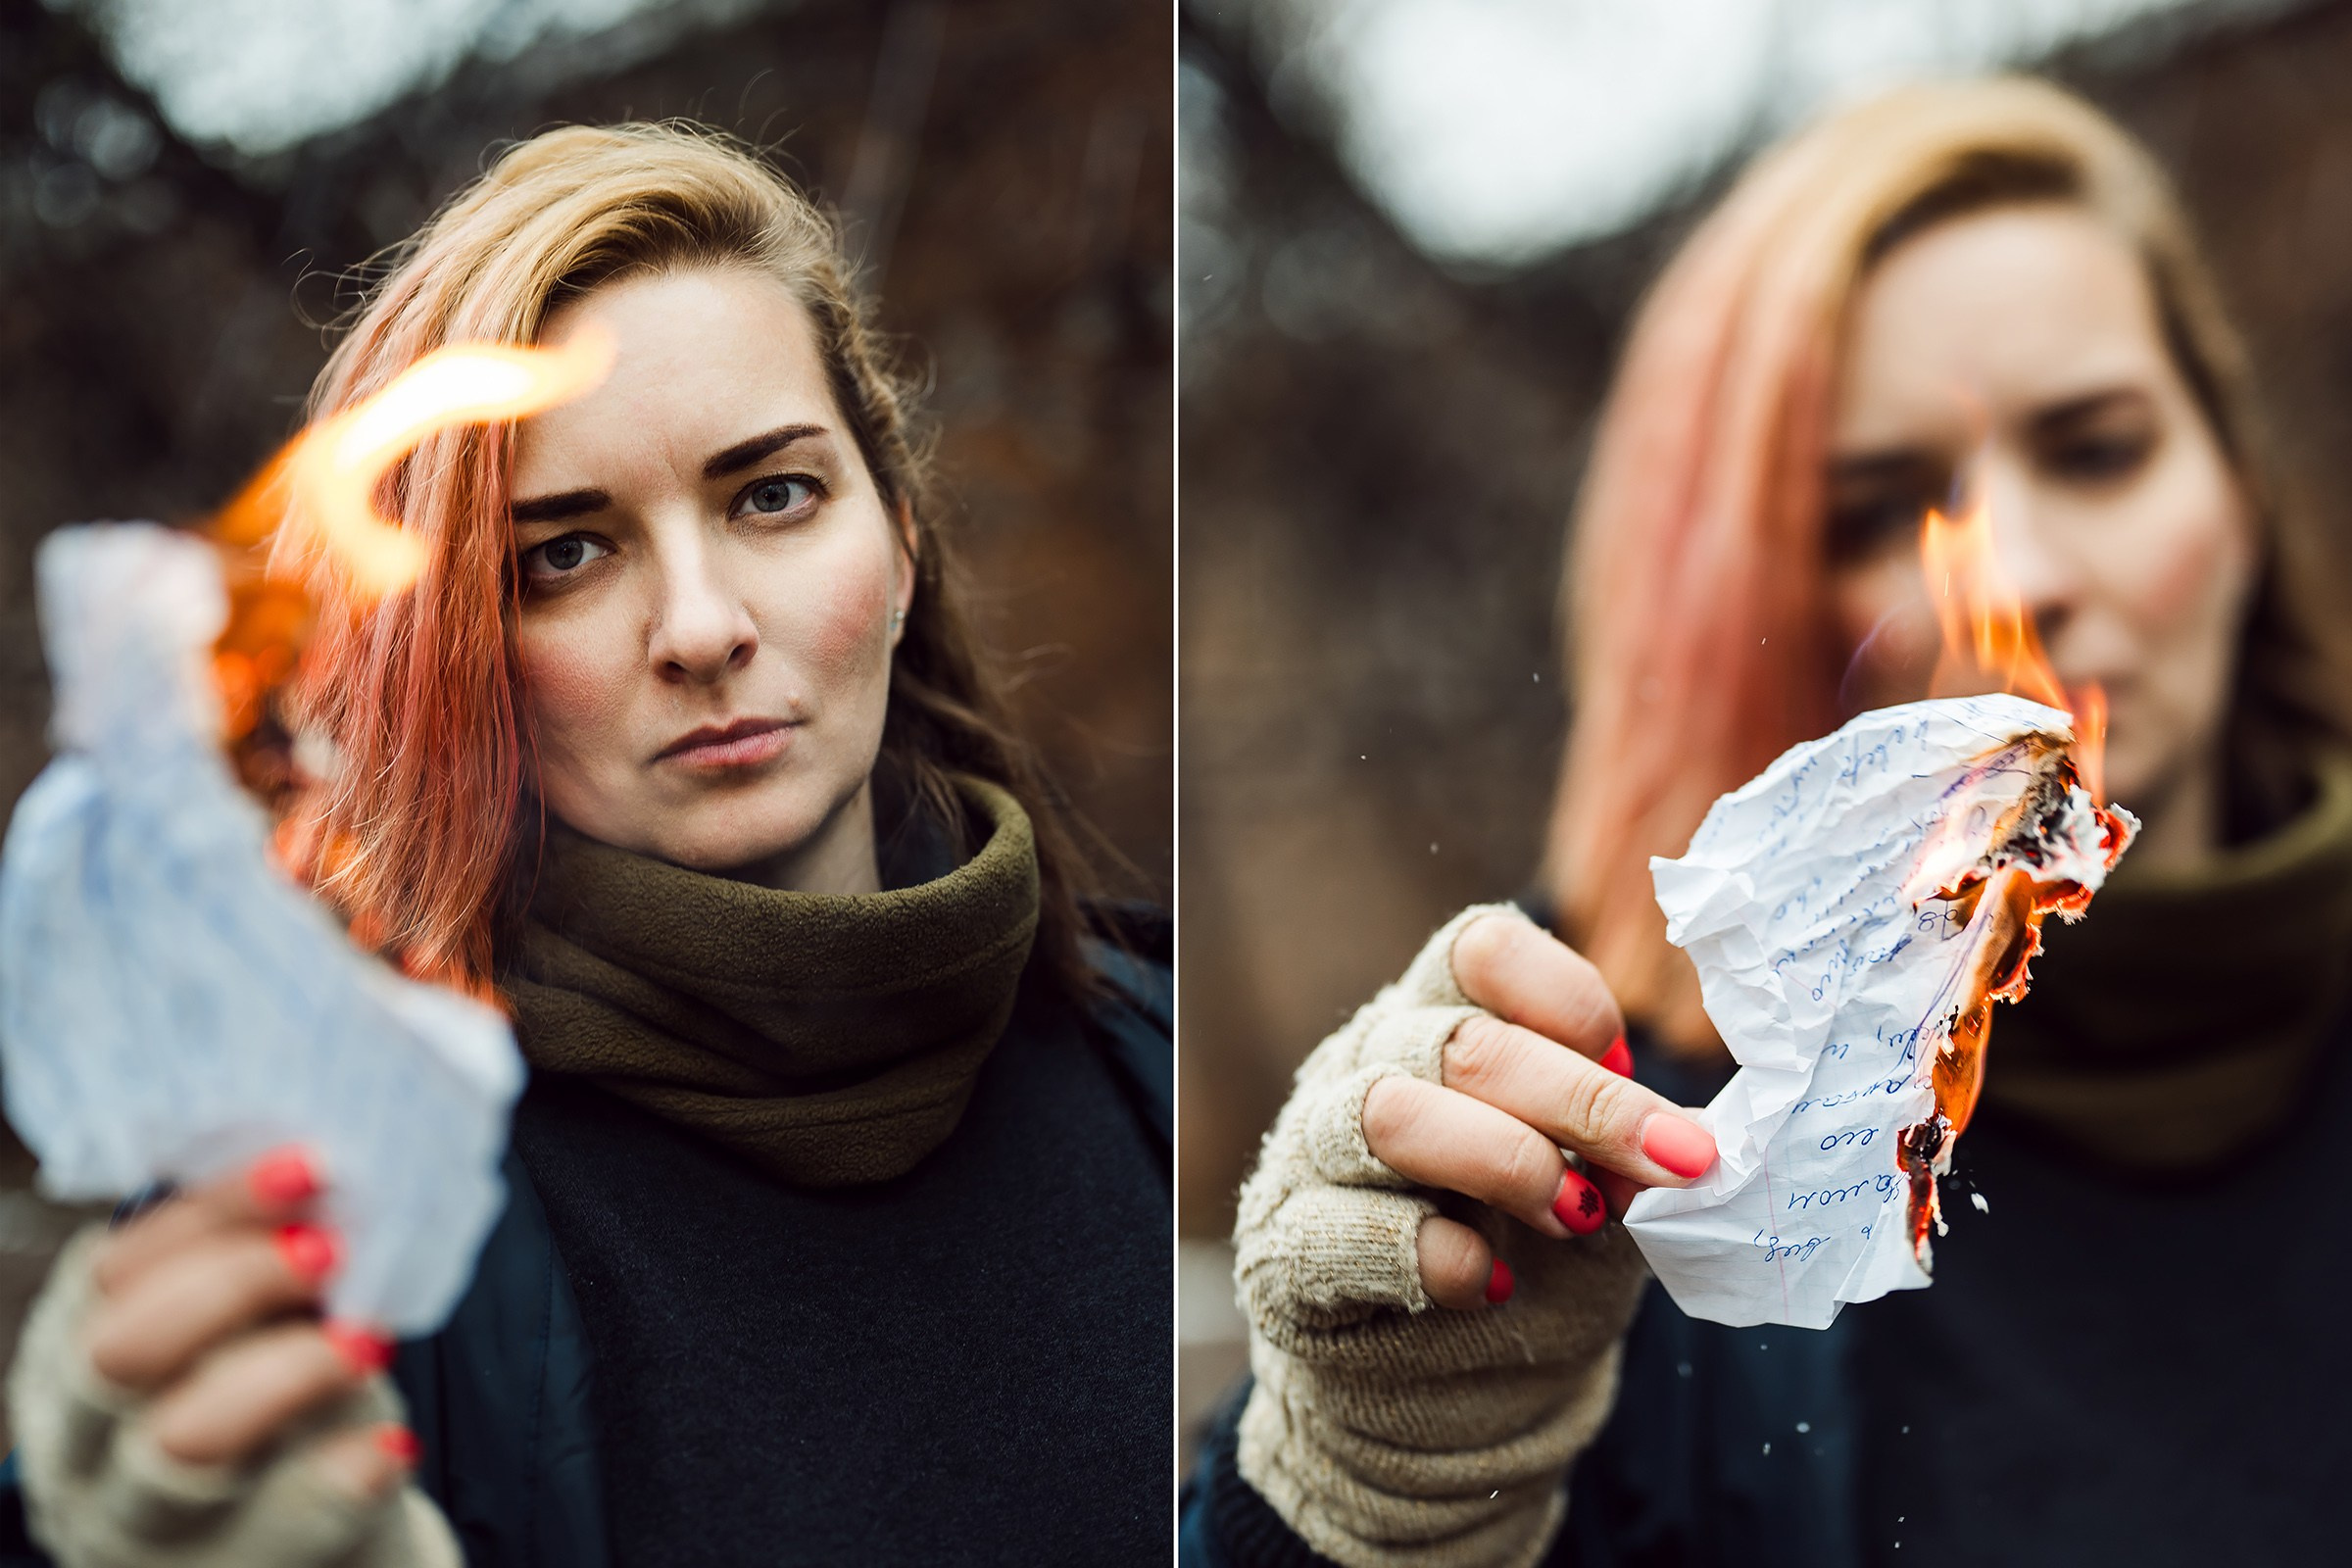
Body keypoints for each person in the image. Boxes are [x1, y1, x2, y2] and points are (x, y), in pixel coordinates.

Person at [1183, 75, 2352, 1568]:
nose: (2027, 571)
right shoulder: (1616, 1169)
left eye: (2099, 446)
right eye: (1882, 509)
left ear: (2237, 488)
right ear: (1752, 596)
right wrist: (1376, 1485)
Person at [2, 122, 1171, 1568]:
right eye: (564, 552)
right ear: (456, 645)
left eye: (774, 495)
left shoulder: (1155, 1065)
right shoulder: (354, 1204)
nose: (700, 628)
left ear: (903, 538)